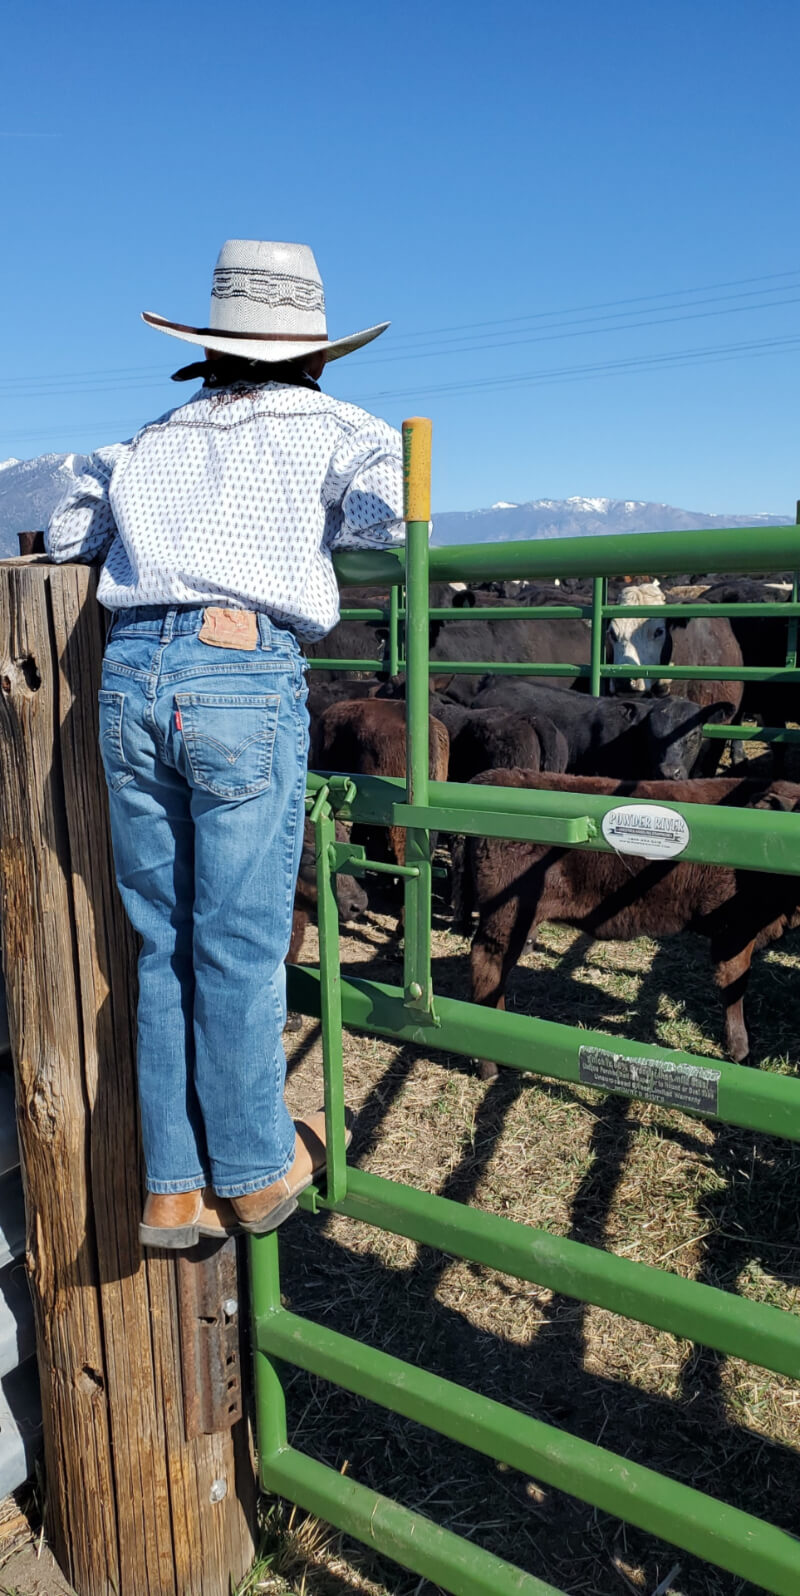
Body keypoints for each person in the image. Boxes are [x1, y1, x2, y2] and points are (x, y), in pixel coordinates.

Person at [46, 239, 405, 1248]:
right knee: (239, 941)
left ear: (207, 350)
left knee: (159, 942)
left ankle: (171, 1182)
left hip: (128, 670)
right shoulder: (345, 428)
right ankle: (251, 1168)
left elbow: (73, 529)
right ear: (318, 354)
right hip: (239, 670)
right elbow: (387, 528)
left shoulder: (151, 435)